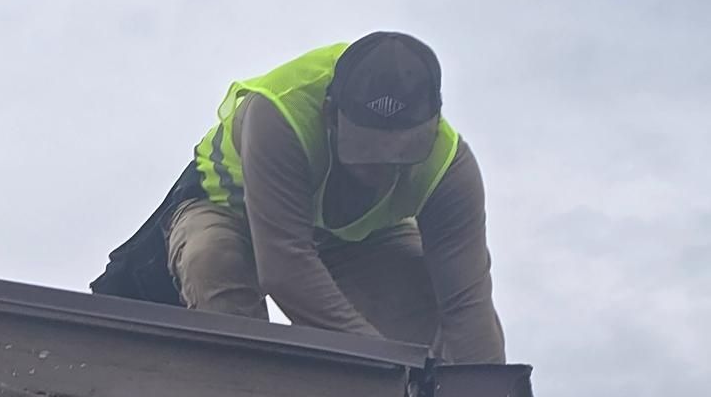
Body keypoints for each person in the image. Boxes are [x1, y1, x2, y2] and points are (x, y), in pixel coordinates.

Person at [96, 34, 506, 362]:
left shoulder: (450, 169)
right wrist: (387, 366)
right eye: (365, 155)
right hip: (231, 211)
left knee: (420, 293)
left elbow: (467, 306)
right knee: (213, 261)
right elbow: (286, 266)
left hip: (354, 239)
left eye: (400, 158)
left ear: (432, 127)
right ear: (329, 115)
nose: (381, 174)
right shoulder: (279, 116)